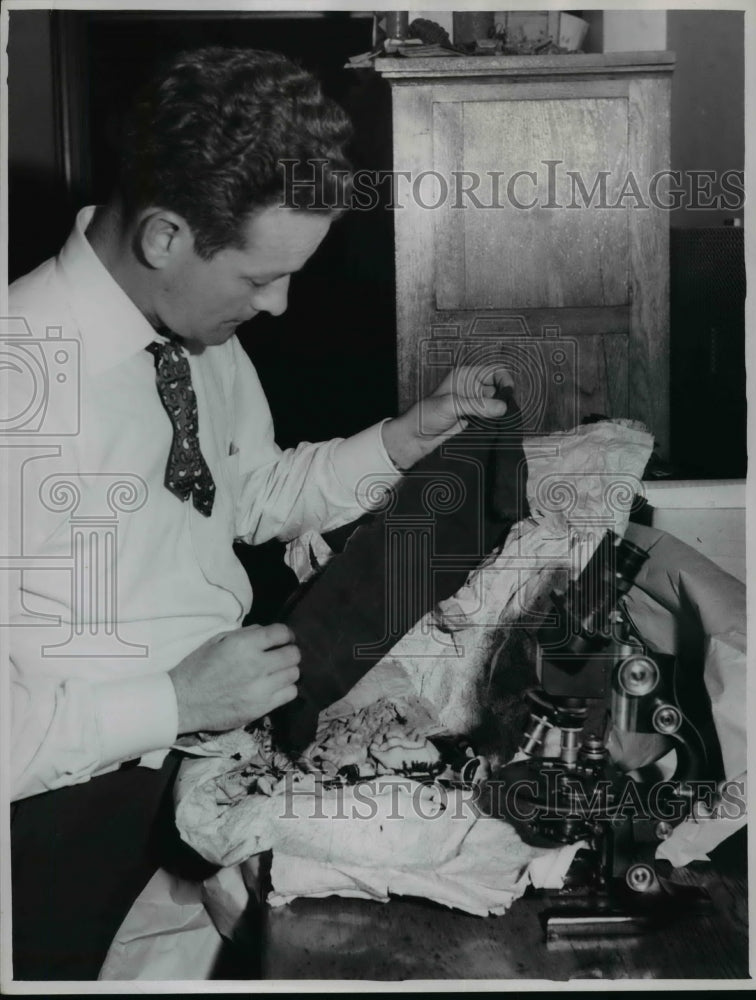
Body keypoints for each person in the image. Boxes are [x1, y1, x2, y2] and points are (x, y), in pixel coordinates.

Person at [5, 47, 510, 980]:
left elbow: (252, 495)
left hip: (192, 799)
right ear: (163, 237)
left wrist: (403, 438)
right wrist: (176, 700)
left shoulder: (192, 333)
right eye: (257, 277)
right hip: (48, 836)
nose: (277, 306)